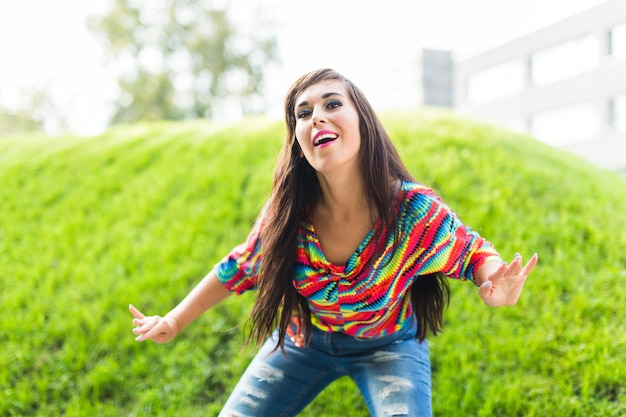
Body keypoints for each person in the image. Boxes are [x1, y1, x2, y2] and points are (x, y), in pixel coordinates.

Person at [130, 68, 538, 417]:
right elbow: (240, 266)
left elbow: (471, 252)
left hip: (389, 345)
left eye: (332, 104)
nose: (316, 118)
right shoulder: (288, 214)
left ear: (363, 121)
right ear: (299, 144)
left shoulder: (411, 211)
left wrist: (494, 283)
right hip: (301, 340)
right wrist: (173, 321)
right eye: (303, 114)